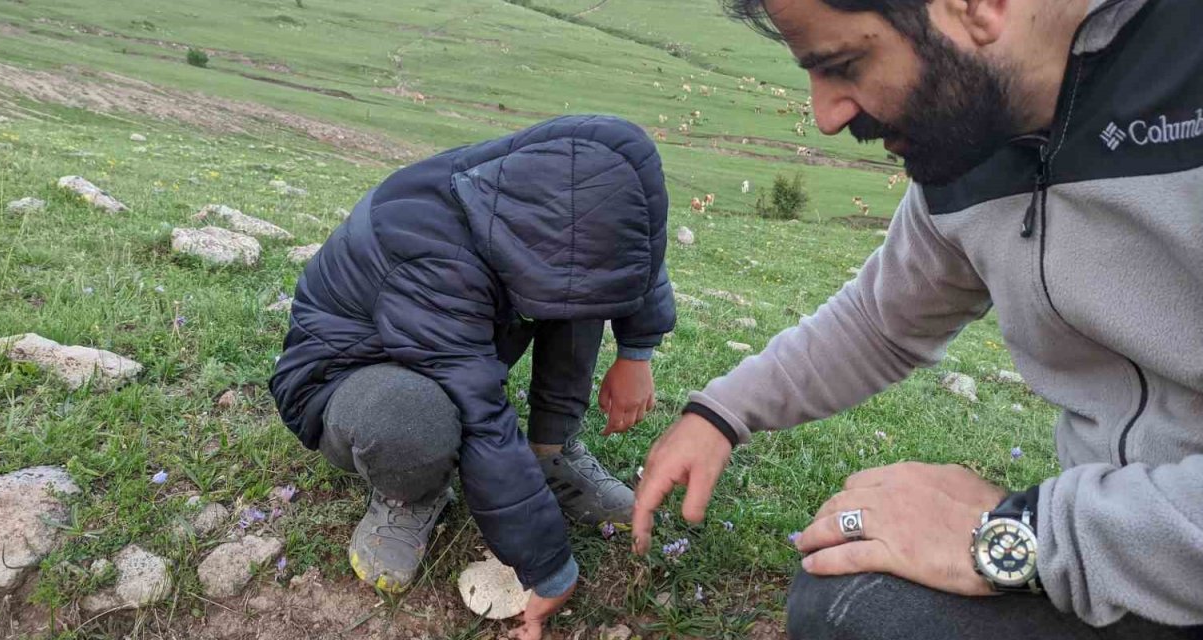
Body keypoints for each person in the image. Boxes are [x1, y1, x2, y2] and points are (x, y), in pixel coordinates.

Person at [632, 0, 1203, 638]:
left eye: (847, 64)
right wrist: (721, 414)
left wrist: (1028, 533)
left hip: (1148, 547)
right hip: (1119, 550)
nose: (825, 116)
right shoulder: (980, 132)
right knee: (847, 599)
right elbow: (883, 321)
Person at [270, 114, 674, 639]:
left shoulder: (544, 191)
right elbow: (481, 416)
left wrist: (636, 351)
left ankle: (552, 453)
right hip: (349, 373)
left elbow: (631, 245)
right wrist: (548, 568)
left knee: (582, 284)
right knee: (415, 417)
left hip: (441, 341)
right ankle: (408, 492)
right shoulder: (426, 248)